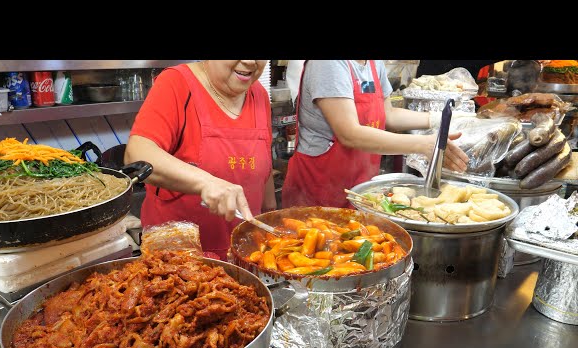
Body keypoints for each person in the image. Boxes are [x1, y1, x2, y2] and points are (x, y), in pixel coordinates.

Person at [124, 60, 275, 258]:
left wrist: (272, 220)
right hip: (177, 265)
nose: (249, 61)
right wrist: (207, 182)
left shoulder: (259, 95)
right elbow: (136, 154)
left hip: (245, 257)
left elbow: (264, 174)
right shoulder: (176, 83)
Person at [281, 60, 470, 209]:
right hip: (320, 188)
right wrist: (423, 145)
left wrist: (440, 119)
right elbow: (349, 133)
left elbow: (389, 115)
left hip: (357, 184)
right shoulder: (328, 64)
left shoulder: (372, 62)